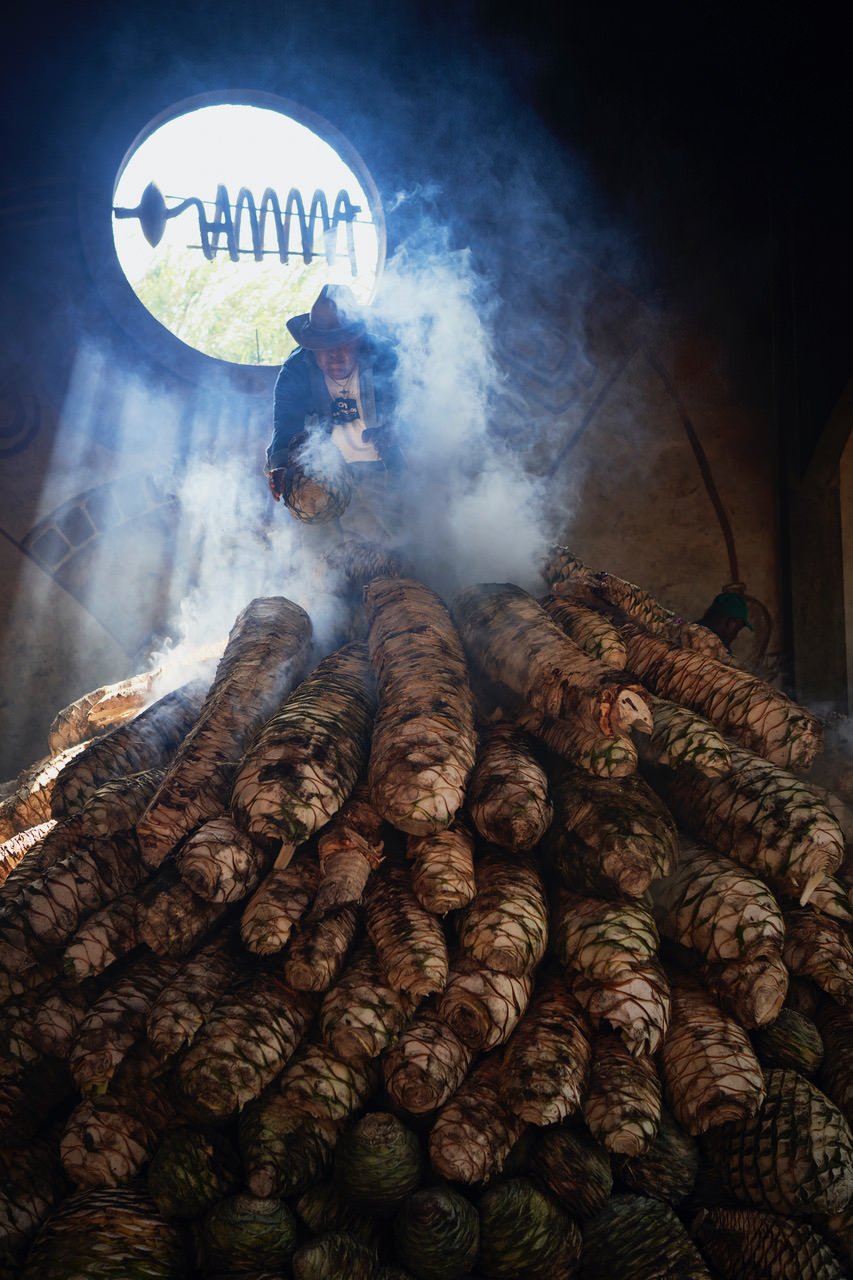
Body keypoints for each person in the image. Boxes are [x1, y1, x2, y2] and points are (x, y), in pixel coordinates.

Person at [265, 284, 402, 544]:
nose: (334, 355)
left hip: (386, 466)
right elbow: (285, 424)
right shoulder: (296, 370)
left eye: (343, 345)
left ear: (358, 340)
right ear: (312, 345)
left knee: (396, 541)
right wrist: (279, 465)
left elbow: (418, 408)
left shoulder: (388, 358)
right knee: (324, 549)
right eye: (323, 347)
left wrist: (398, 430)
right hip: (324, 471)